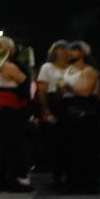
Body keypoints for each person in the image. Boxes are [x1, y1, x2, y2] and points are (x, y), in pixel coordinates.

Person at [0, 37, 33, 192]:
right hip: (11, 107)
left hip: (0, 107)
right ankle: (13, 178)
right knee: (13, 143)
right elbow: (24, 80)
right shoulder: (8, 66)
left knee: (2, 145)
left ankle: (3, 178)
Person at [58, 41, 100, 193]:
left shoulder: (89, 71)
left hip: (84, 115)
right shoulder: (67, 70)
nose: (69, 53)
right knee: (70, 149)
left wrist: (67, 86)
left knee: (84, 149)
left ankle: (87, 182)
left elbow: (86, 92)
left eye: (73, 50)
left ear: (82, 53)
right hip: (68, 113)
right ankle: (72, 180)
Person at [35, 40, 71, 186]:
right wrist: (46, 111)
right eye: (59, 49)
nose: (63, 52)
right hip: (54, 102)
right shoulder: (47, 68)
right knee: (55, 141)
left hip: (69, 103)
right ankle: (57, 174)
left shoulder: (72, 67)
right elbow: (42, 91)